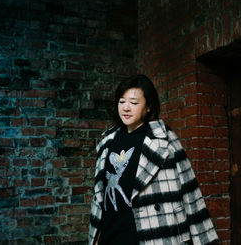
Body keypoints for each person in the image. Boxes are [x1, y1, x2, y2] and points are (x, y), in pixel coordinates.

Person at [88, 75, 219, 245]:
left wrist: (205, 240)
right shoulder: (107, 142)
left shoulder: (164, 139)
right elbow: (100, 196)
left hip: (155, 233)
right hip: (111, 235)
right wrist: (96, 234)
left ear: (148, 107)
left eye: (134, 103)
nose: (126, 108)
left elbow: (190, 191)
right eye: (122, 102)